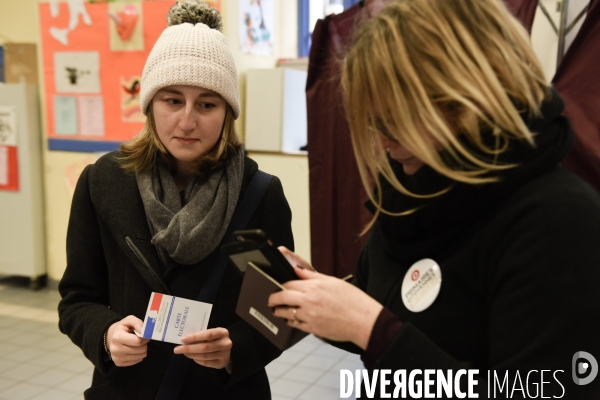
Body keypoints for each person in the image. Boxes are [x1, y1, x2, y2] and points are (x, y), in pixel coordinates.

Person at [269, 0, 600, 398]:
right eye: (374, 122)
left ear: (467, 97)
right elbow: (395, 311)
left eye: (397, 119)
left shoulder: (558, 221)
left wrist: (371, 328)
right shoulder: (410, 194)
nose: (383, 142)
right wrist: (327, 302)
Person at [58, 2, 293, 399]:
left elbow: (280, 310)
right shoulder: (104, 182)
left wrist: (235, 349)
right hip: (129, 389)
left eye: (207, 104)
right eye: (172, 100)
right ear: (149, 104)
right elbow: (78, 298)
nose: (187, 121)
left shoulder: (258, 194)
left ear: (227, 113)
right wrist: (106, 334)